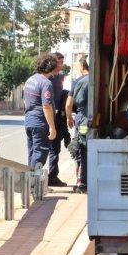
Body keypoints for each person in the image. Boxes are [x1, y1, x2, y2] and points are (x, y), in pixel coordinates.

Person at [23, 53, 58, 174]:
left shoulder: (30, 80)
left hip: (29, 122)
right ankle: (33, 181)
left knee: (32, 153)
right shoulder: (46, 83)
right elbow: (46, 106)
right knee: (40, 154)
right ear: (51, 67)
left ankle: (30, 180)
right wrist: (52, 127)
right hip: (40, 124)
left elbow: (25, 101)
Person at [66, 57, 91, 193]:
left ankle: (82, 183)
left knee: (81, 149)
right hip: (94, 120)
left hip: (82, 121)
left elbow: (69, 104)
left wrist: (69, 118)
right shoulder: (96, 80)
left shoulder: (78, 81)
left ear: (82, 66)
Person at [46, 52, 69, 187]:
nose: (61, 65)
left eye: (62, 62)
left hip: (60, 116)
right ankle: (45, 177)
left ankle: (53, 175)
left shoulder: (61, 77)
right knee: (47, 148)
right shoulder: (48, 78)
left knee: (56, 148)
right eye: (59, 62)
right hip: (49, 116)